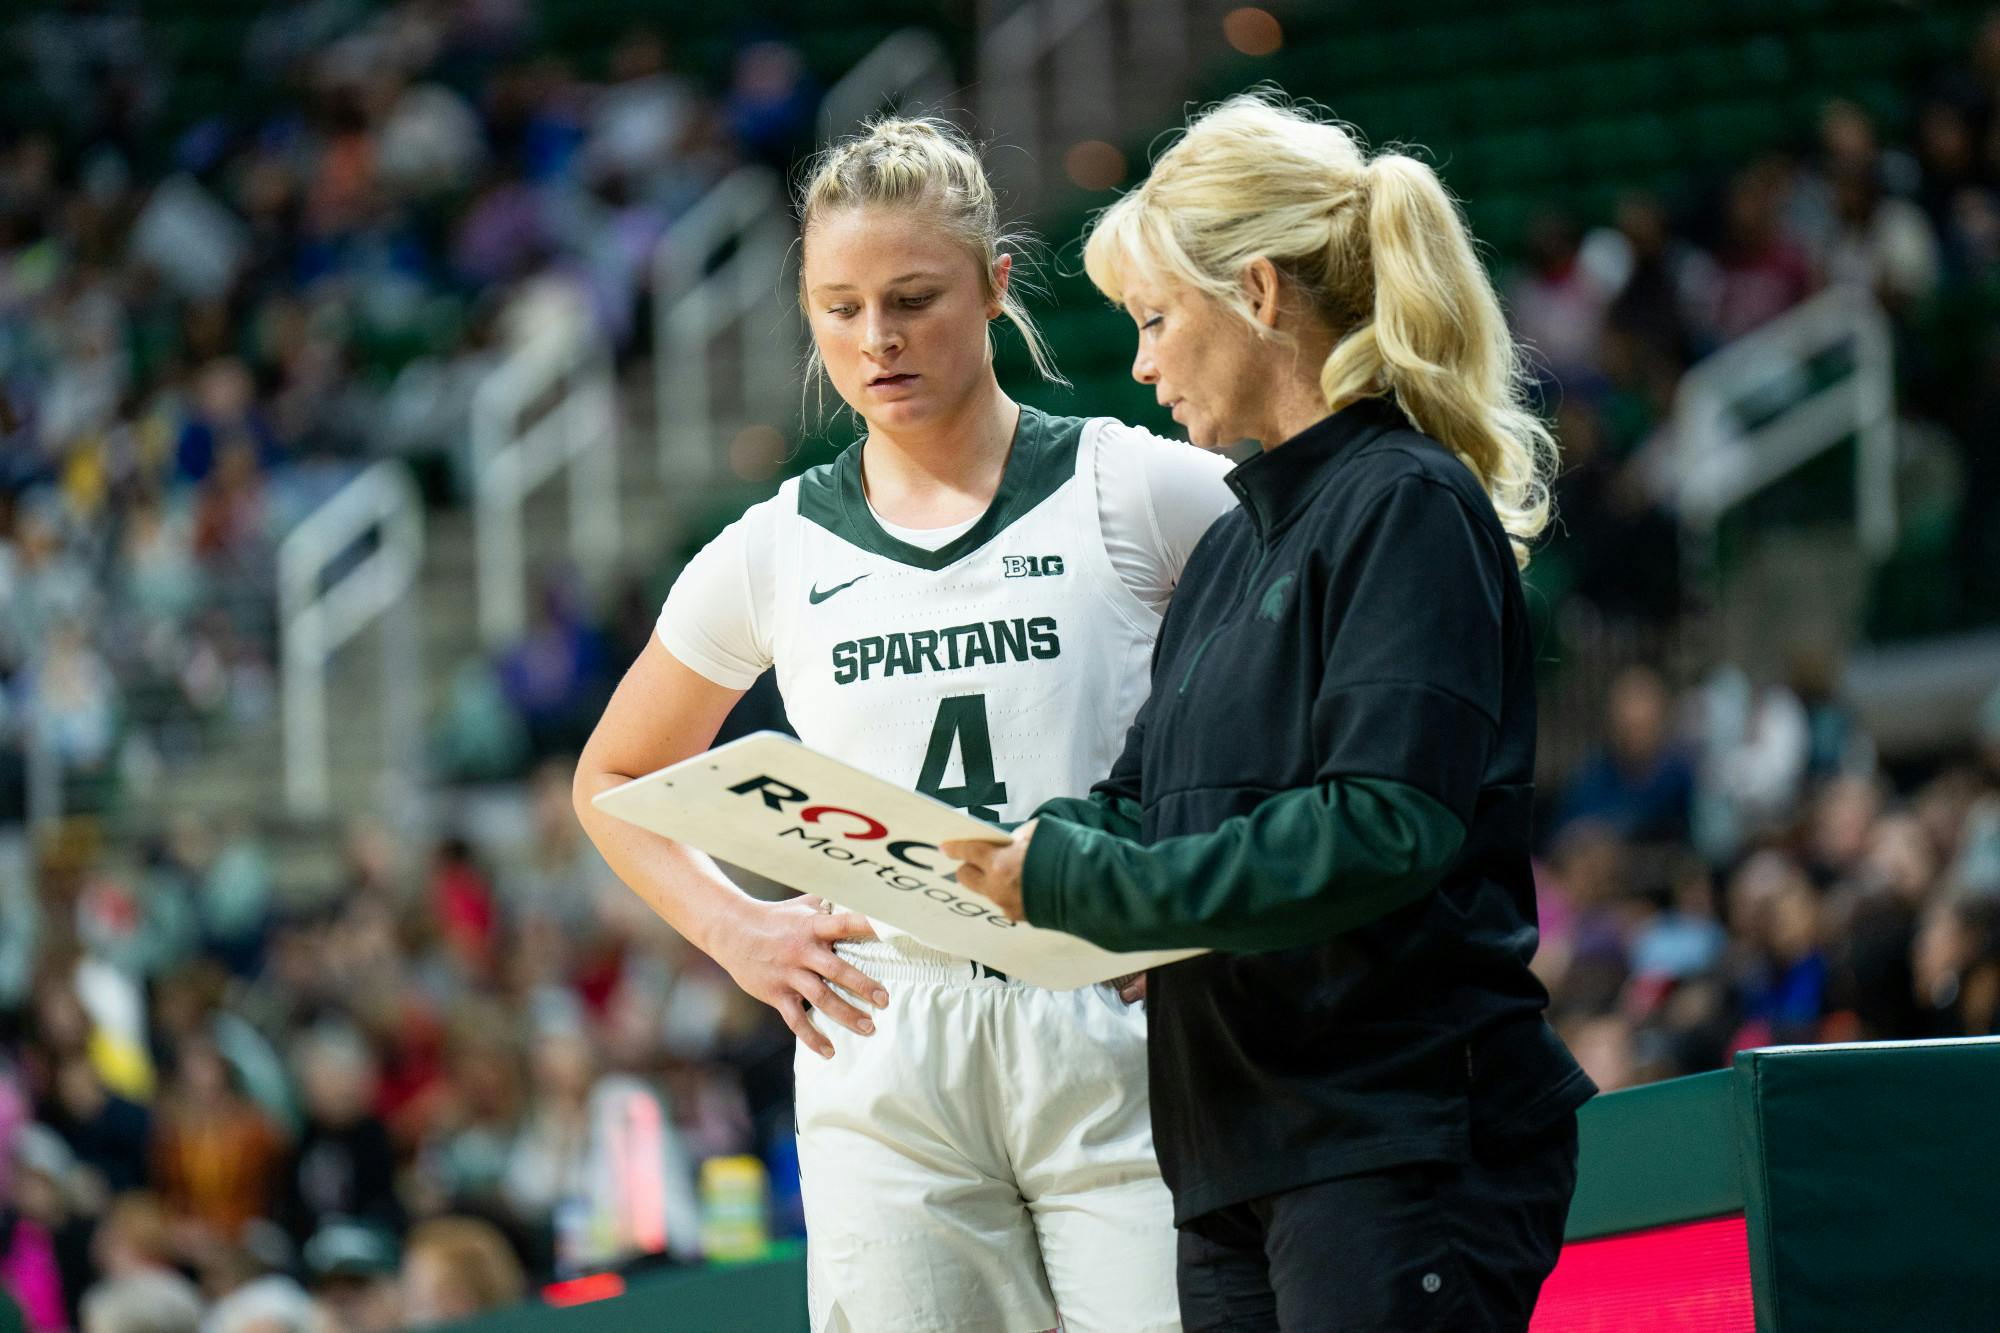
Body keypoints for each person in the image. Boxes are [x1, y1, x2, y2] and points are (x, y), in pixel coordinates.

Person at [573, 116, 1234, 1331]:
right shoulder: (773, 547)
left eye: (913, 297)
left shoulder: (1128, 482)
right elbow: (613, 773)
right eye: (837, 308)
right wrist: (735, 930)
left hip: (1114, 1004)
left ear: (993, 287)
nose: (873, 339)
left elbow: (1330, 651)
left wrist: (1213, 903)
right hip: (885, 1023)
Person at [947, 95, 1595, 1331]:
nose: (1137, 363)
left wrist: (1101, 888)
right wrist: (1009, 856)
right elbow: (1145, 799)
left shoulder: (1403, 500)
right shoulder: (1240, 541)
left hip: (1391, 1138)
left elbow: (1380, 826)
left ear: (1252, 293)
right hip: (1241, 1151)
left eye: (1152, 320)